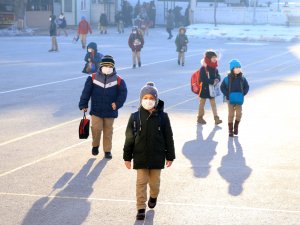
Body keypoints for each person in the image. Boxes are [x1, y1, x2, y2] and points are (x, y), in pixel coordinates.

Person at [123, 82, 175, 221]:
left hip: (157, 157)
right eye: (145, 97)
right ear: (141, 99)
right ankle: (140, 208)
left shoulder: (163, 117)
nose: (148, 100)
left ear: (156, 100)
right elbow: (129, 138)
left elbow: (168, 137)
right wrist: (127, 157)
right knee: (140, 182)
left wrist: (170, 156)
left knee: (154, 183)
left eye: (151, 98)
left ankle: (153, 196)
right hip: (140, 157)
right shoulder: (135, 117)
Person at [79, 55, 127, 158]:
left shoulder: (118, 80)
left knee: (108, 131)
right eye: (105, 66)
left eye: (110, 66)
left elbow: (123, 94)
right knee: (96, 129)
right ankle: (95, 146)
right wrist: (83, 104)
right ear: (101, 66)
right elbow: (86, 92)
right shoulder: (92, 78)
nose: (108, 68)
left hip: (110, 111)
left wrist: (117, 104)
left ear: (113, 67)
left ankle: (107, 151)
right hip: (96, 110)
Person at [221, 59, 249, 137]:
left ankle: (236, 127)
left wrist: (243, 93)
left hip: (239, 100)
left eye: (239, 67)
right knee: (231, 114)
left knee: (239, 114)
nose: (238, 69)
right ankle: (230, 130)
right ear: (232, 69)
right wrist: (227, 94)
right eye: (236, 67)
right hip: (230, 100)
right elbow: (222, 87)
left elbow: (246, 86)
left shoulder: (242, 78)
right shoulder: (227, 78)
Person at [197, 50, 222, 125]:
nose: (215, 59)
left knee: (213, 104)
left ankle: (216, 118)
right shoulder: (203, 68)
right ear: (208, 58)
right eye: (213, 57)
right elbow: (202, 79)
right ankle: (200, 118)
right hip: (204, 89)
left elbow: (218, 75)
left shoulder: (214, 68)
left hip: (212, 89)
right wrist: (212, 81)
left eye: (215, 57)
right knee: (202, 104)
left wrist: (217, 79)